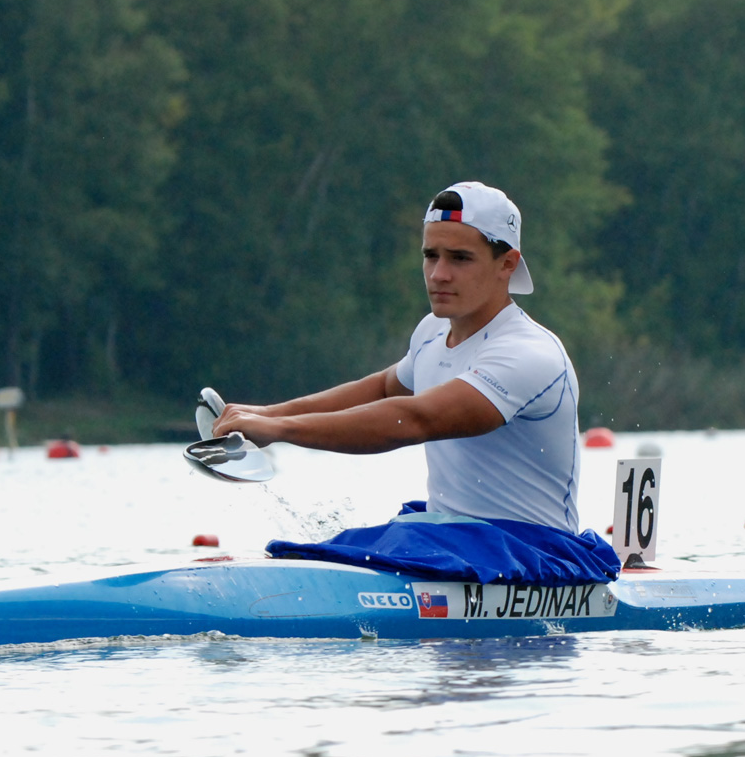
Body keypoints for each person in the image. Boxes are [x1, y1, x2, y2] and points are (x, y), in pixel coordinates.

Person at [214, 181, 581, 532]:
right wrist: (264, 414)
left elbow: (416, 419)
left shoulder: (529, 353)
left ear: (508, 264)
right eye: (430, 256)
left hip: (537, 556)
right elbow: (383, 390)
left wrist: (280, 430)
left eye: (460, 259)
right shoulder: (432, 332)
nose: (438, 274)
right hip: (457, 543)